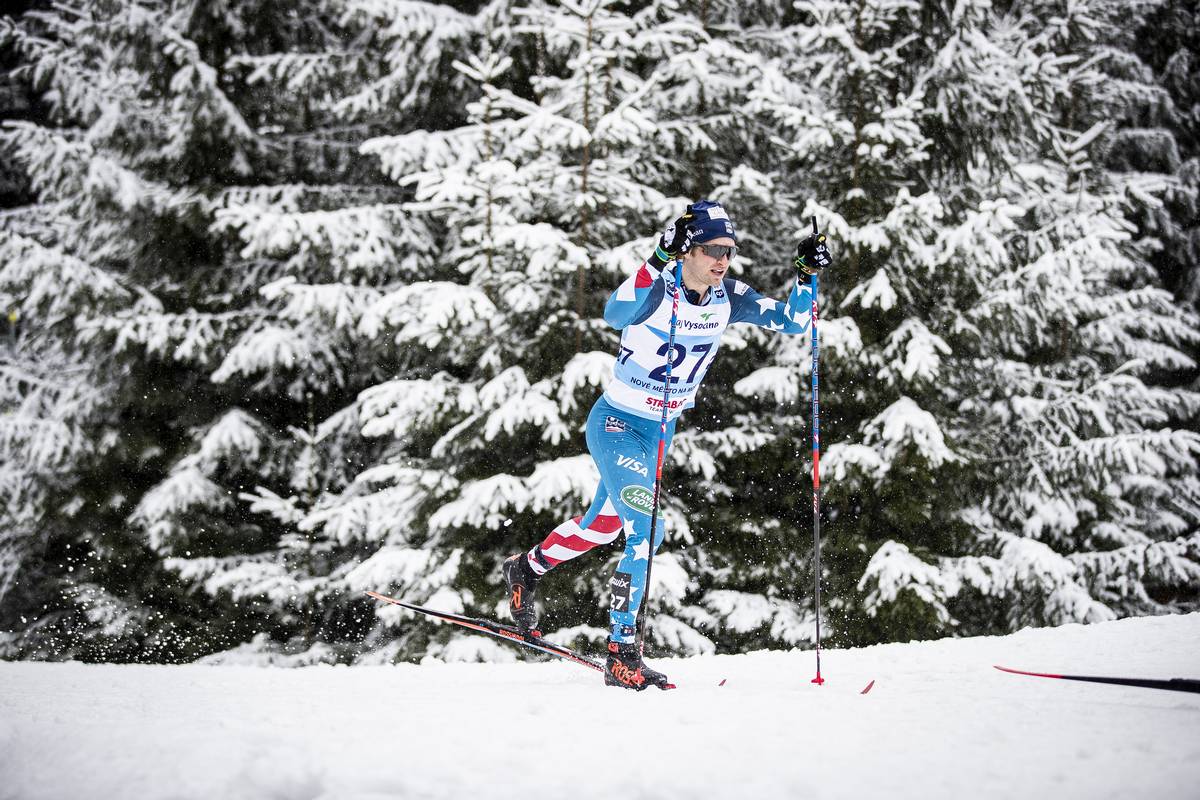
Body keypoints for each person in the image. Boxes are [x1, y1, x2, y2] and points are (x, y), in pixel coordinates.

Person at [503, 200, 832, 690]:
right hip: (616, 424)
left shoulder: (729, 296)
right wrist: (657, 256)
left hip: (660, 431)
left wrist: (805, 273)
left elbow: (795, 321)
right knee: (646, 531)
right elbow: (614, 312)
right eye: (711, 249)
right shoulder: (657, 289)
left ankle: (525, 569)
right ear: (687, 250)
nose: (722, 259)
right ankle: (621, 651)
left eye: (729, 250)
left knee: (603, 525)